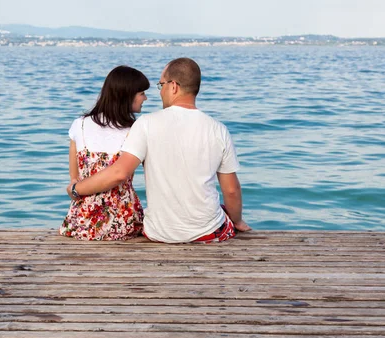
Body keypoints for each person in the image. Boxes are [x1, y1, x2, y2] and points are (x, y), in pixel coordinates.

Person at [67, 57, 251, 243]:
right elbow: (232, 190)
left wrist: (75, 189)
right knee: (221, 210)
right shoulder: (219, 129)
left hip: (159, 233)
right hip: (208, 233)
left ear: (173, 87)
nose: (159, 91)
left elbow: (120, 172)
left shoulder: (145, 124)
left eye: (160, 85)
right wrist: (237, 220)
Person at [60, 65, 149, 240]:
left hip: (81, 221)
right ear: (127, 95)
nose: (145, 98)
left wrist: (75, 190)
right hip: (123, 221)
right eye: (141, 93)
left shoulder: (80, 124)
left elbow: (74, 178)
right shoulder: (135, 130)